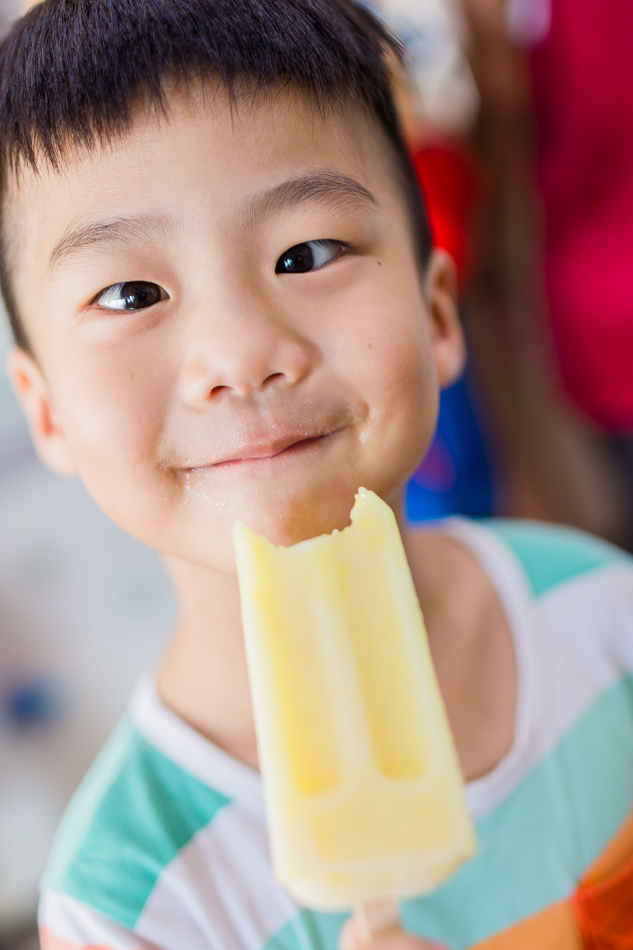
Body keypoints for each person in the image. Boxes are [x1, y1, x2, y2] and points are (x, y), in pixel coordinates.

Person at [0, 2, 632, 949]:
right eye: (131, 293)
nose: (241, 353)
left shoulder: (601, 618)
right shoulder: (128, 904)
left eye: (307, 253)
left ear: (438, 318)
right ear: (44, 408)